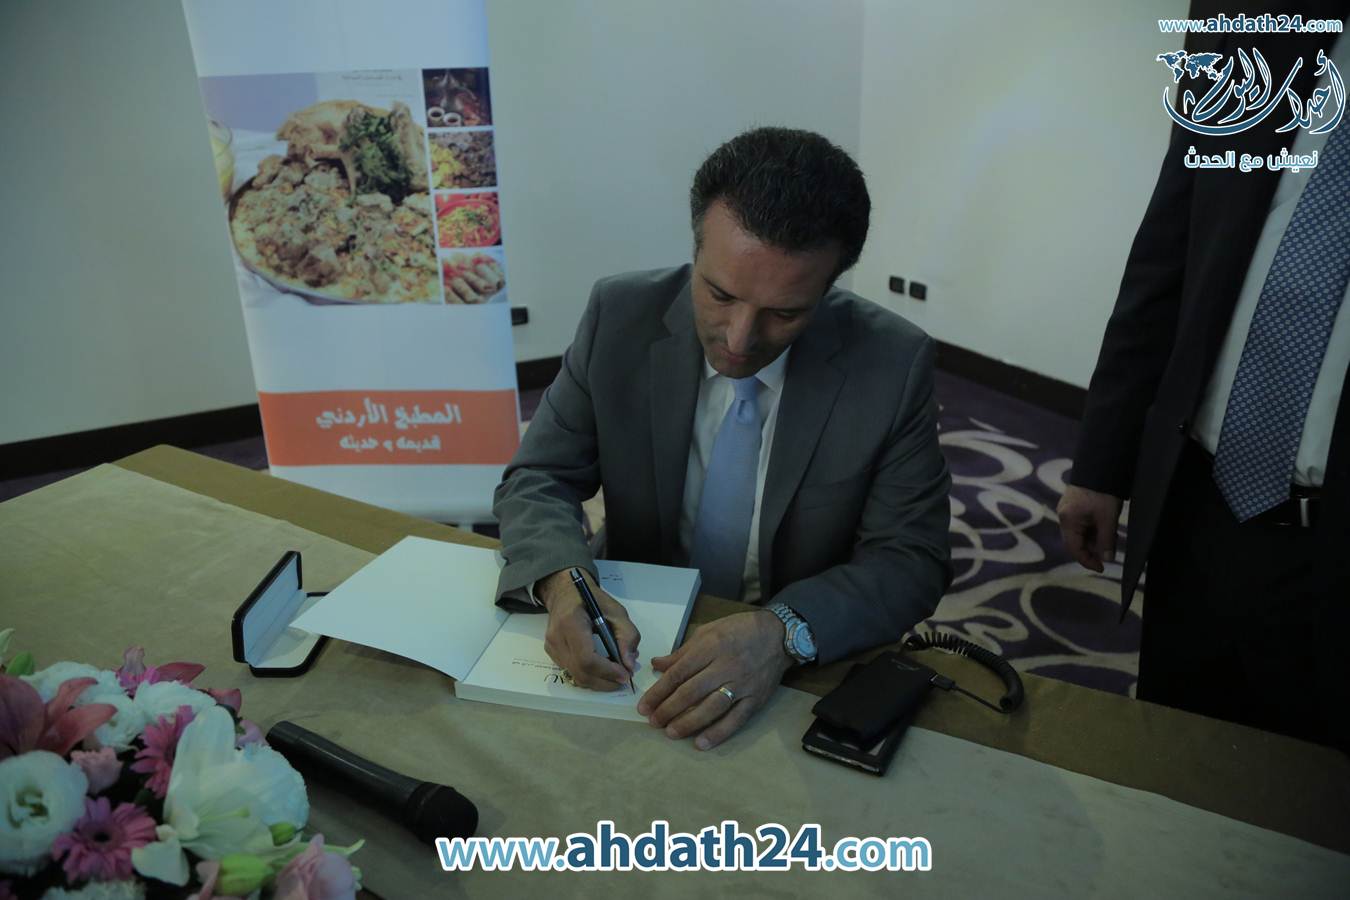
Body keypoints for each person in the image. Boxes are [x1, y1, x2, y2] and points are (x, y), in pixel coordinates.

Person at [492, 127, 952, 751]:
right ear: (696, 250)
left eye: (784, 313)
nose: (739, 339)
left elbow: (911, 558)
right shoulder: (619, 316)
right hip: (632, 623)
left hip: (795, 646)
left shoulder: (891, 364)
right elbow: (539, 476)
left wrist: (784, 632)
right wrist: (561, 581)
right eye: (719, 294)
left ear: (830, 287)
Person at [1058, 25, 1349, 750]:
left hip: (1329, 551)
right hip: (1198, 507)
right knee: (1175, 756)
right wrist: (1103, 462)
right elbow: (1169, 251)